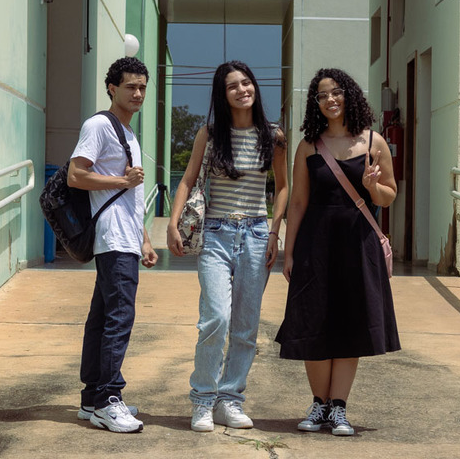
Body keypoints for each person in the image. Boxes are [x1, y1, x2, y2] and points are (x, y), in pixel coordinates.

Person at [275, 67, 400, 436]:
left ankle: (339, 407)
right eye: (322, 95)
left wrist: (372, 187)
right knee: (313, 322)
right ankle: (320, 404)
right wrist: (289, 252)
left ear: (350, 95)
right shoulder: (308, 146)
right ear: (316, 103)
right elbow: (298, 202)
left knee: (350, 324)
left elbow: (389, 196)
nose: (330, 100)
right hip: (315, 244)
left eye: (336, 92)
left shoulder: (374, 142)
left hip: (358, 245)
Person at [167, 61, 289, 433]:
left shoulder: (274, 136)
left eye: (246, 82)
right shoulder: (210, 134)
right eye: (232, 86)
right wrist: (172, 223)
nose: (241, 90)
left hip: (256, 234)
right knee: (216, 318)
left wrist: (274, 232)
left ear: (255, 87)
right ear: (223, 95)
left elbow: (283, 186)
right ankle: (203, 400)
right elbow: (188, 180)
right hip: (216, 234)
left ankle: (230, 399)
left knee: (246, 326)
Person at [69, 56, 159, 433]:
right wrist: (122, 181)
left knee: (103, 317)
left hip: (126, 237)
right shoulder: (99, 125)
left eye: (142, 87)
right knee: (119, 318)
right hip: (112, 236)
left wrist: (144, 239)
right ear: (112, 88)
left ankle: (92, 398)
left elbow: (132, 197)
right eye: (130, 87)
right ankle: (108, 399)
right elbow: (76, 175)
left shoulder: (129, 134)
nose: (137, 93)